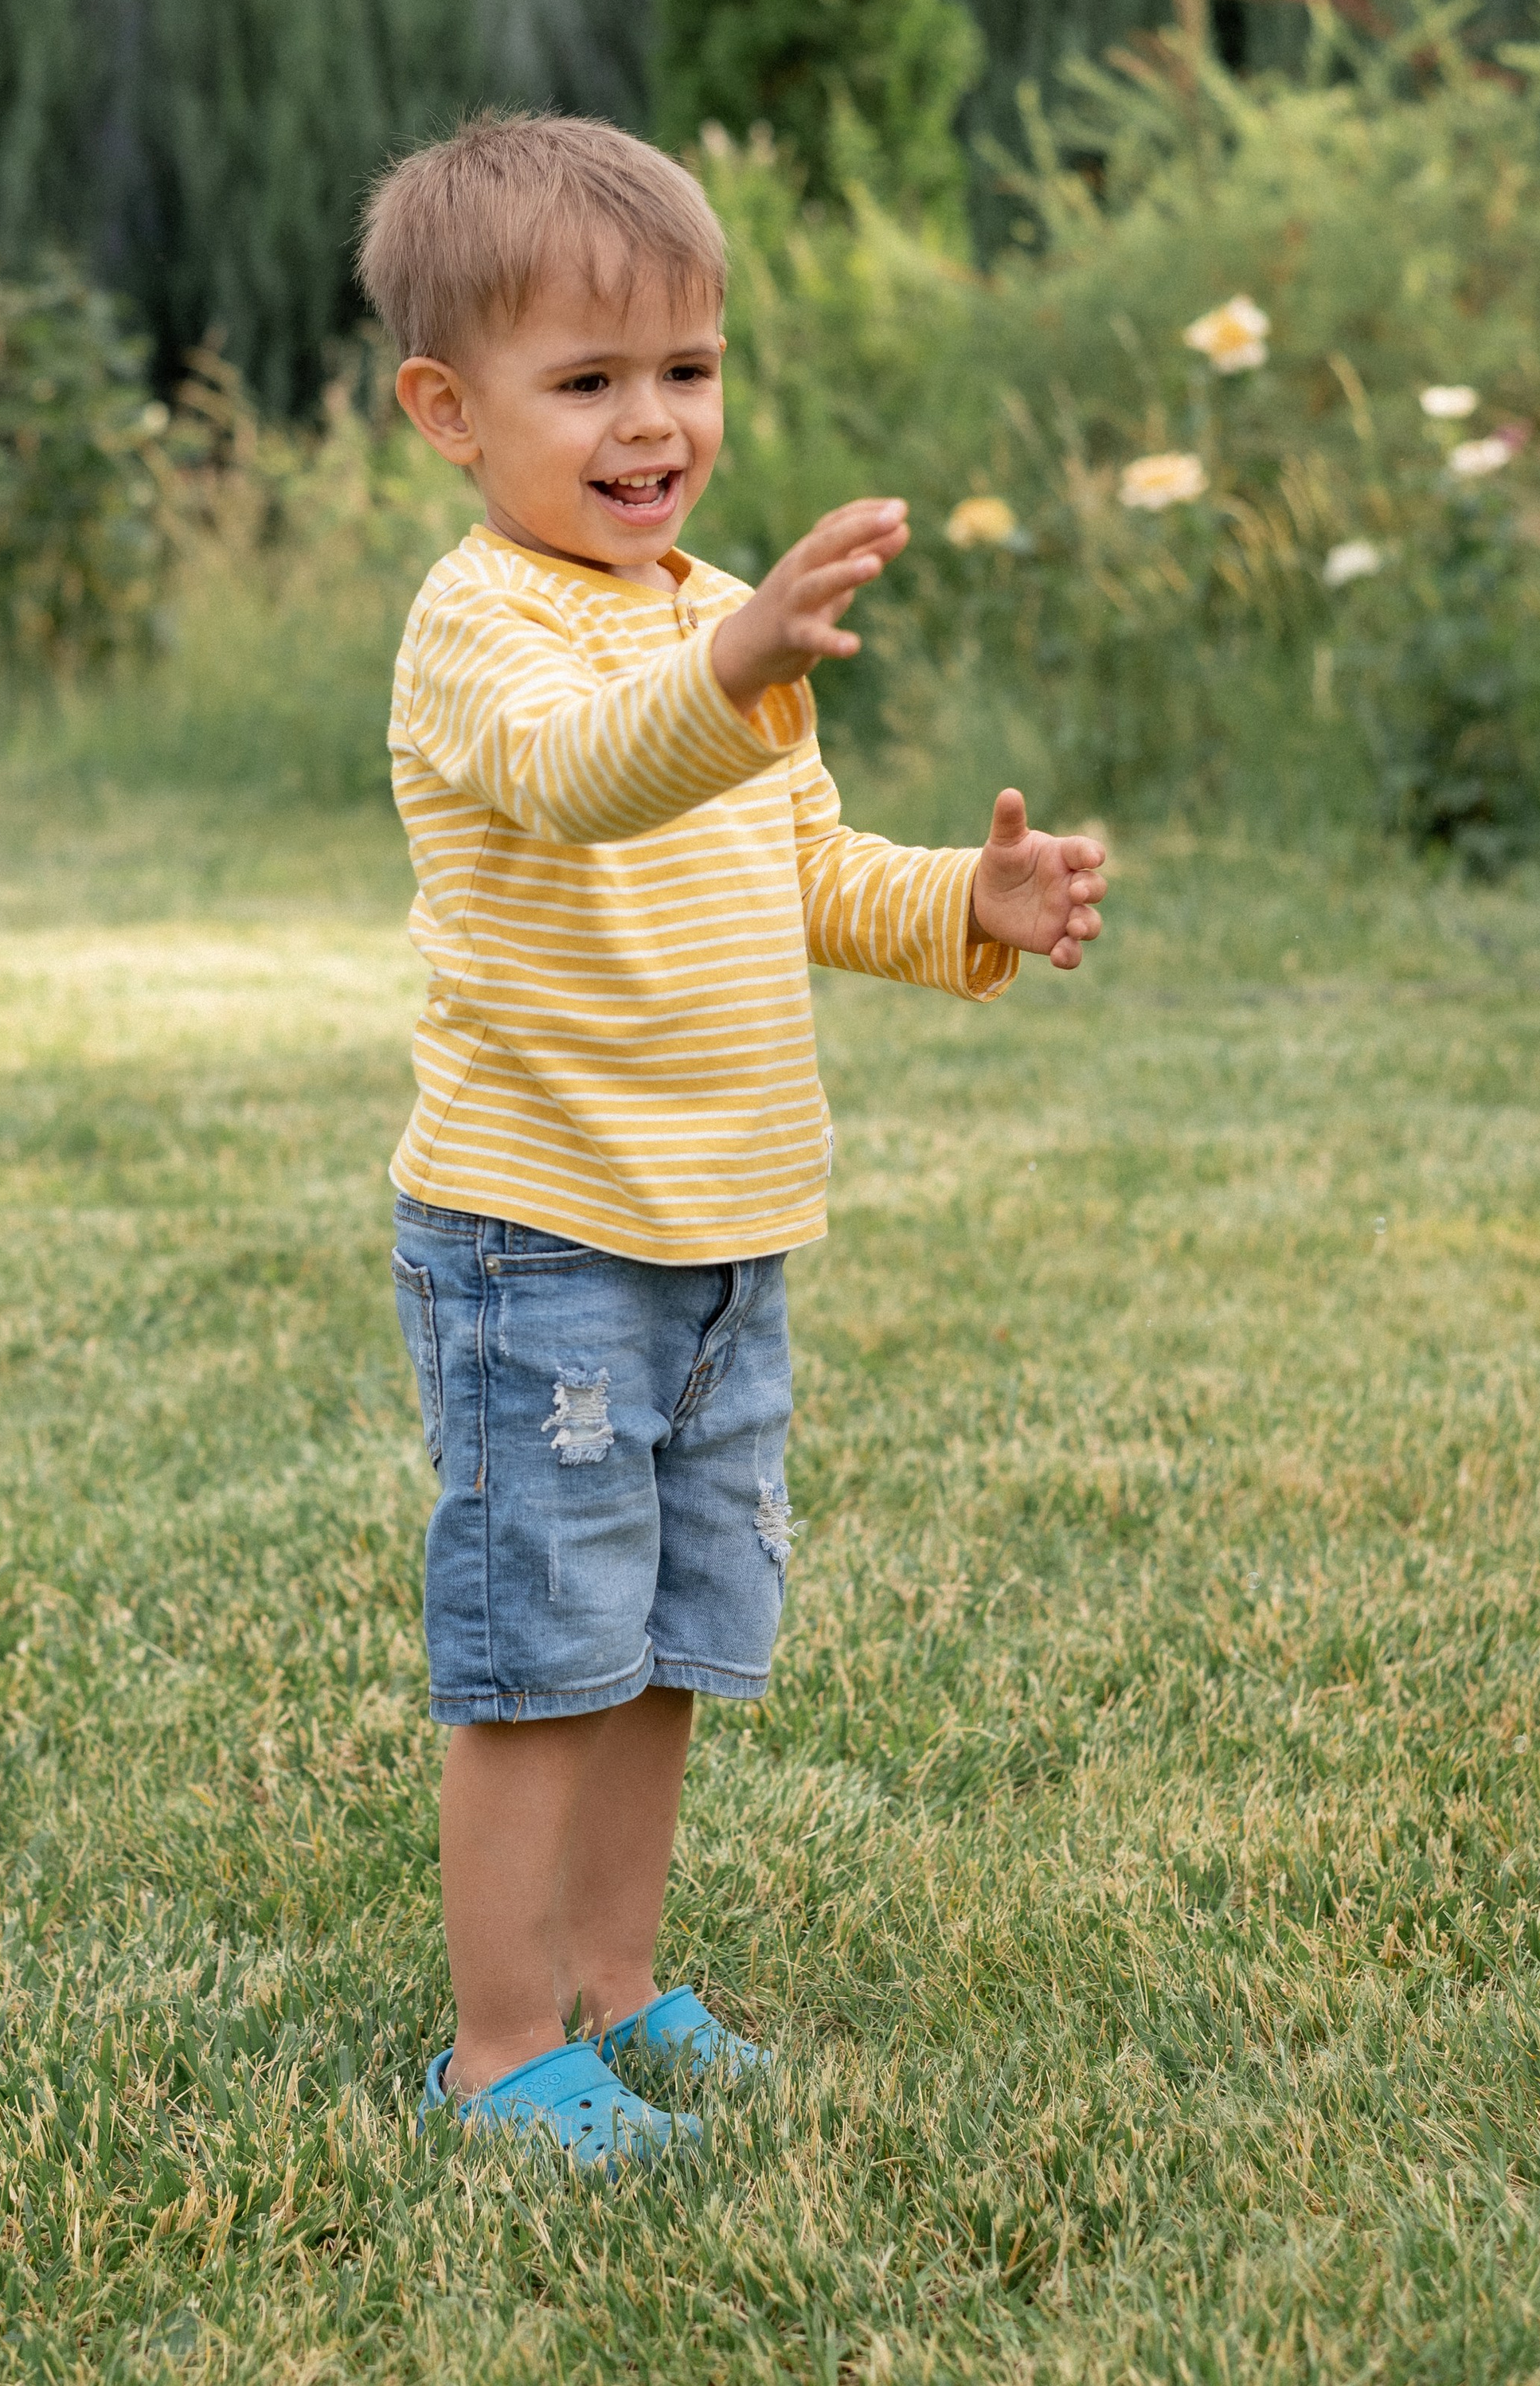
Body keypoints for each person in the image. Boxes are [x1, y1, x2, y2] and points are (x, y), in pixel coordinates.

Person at [358, 115, 1107, 2169]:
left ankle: (620, 1987)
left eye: (684, 368)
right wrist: (734, 661)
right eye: (584, 381)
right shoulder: (482, 628)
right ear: (449, 408)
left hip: (719, 1232)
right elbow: (589, 774)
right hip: (541, 1231)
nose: (651, 422)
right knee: (541, 1655)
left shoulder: (706, 622)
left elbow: (801, 873)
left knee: (669, 1632)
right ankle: (503, 2048)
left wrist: (966, 902)